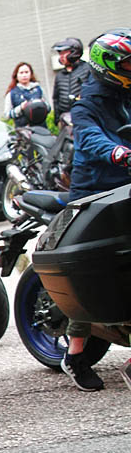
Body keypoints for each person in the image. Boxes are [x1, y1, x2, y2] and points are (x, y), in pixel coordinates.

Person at [60, 28, 131, 392]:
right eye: (127, 63)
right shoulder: (86, 102)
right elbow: (89, 137)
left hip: (126, 186)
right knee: (94, 274)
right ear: (108, 66)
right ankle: (74, 355)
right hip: (94, 193)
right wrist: (117, 151)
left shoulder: (126, 94)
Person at [52, 37, 93, 125]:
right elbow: (56, 98)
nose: (61, 57)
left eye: (64, 53)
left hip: (85, 115)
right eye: (60, 54)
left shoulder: (87, 69)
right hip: (65, 118)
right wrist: (57, 119)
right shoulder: (60, 75)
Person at [4, 62, 51, 128]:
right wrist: (21, 108)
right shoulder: (12, 94)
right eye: (21, 73)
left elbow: (49, 108)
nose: (24, 75)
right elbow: (7, 116)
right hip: (23, 130)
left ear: (31, 74)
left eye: (26, 72)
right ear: (16, 75)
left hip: (41, 129)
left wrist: (42, 104)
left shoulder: (39, 89)